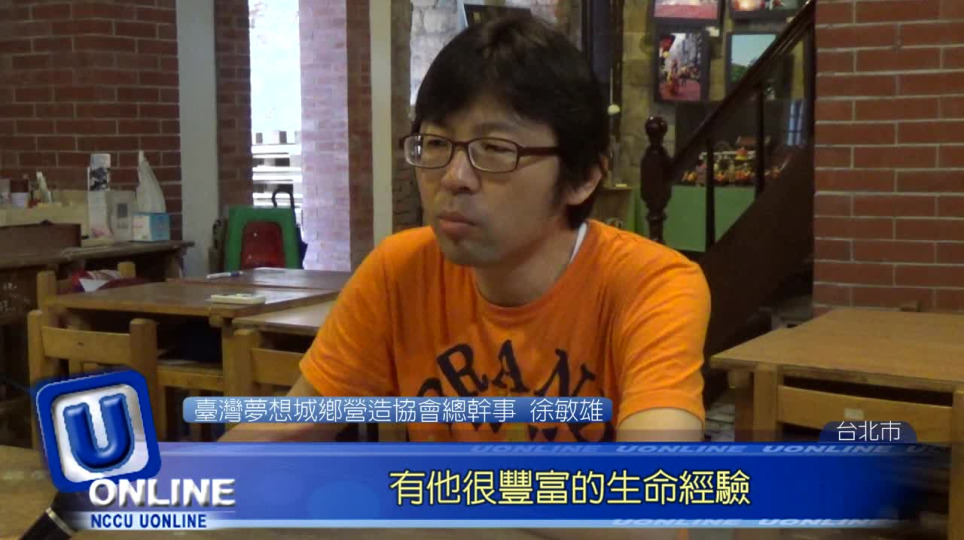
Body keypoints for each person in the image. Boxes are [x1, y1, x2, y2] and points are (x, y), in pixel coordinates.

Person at [222, 14, 710, 444]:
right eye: (436, 144)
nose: (454, 178)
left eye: (494, 150)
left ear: (583, 177)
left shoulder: (650, 285)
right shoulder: (400, 270)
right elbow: (292, 425)